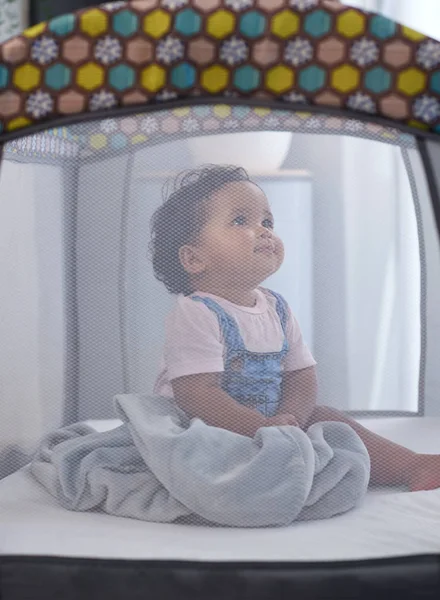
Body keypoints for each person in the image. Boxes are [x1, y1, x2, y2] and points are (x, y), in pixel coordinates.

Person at [150, 164, 440, 492]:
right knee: (207, 453)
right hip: (205, 427)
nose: (264, 231)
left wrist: (291, 418)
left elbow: (301, 376)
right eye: (240, 220)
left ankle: (410, 465)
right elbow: (197, 394)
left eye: (267, 221)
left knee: (328, 419)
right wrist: (261, 427)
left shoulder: (277, 309)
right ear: (193, 260)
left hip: (272, 423)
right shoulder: (196, 312)